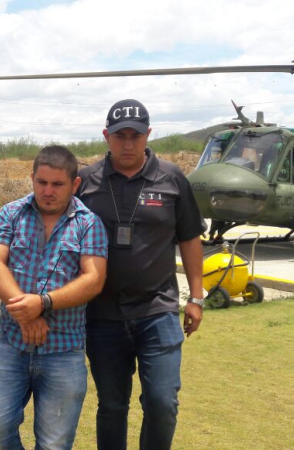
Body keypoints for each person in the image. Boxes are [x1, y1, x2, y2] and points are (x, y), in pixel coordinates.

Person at [76, 99, 206, 450]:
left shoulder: (172, 178)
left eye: (136, 135)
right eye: (120, 136)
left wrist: (196, 297)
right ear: (106, 136)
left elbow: (190, 238)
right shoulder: (86, 182)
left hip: (158, 310)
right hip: (102, 315)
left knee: (163, 403)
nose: (128, 143)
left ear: (149, 135)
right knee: (112, 406)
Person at [0, 145, 108, 450]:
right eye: (41, 182)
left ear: (75, 184)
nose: (48, 191)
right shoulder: (11, 213)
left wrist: (43, 303)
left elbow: (94, 279)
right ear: (32, 178)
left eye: (58, 184)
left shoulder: (88, 224)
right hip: (11, 344)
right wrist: (28, 310)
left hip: (64, 351)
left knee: (54, 444)